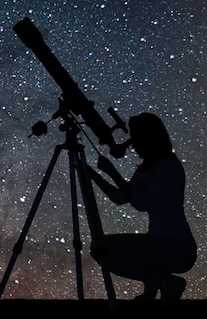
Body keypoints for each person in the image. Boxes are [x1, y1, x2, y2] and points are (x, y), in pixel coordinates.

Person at [86, 112, 197, 304]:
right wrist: (93, 175)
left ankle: (162, 281)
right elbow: (120, 197)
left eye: (136, 139)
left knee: (101, 249)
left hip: (177, 247)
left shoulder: (168, 166)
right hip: (162, 242)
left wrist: (112, 172)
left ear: (149, 139)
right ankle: (157, 281)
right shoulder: (149, 167)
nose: (133, 145)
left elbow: (141, 202)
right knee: (99, 248)